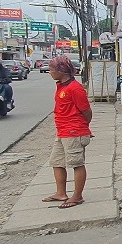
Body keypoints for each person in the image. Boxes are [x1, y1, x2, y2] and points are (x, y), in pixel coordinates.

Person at [43, 56, 92, 209]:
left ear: (61, 71)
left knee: (76, 164)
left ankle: (77, 196)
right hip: (62, 131)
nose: (50, 72)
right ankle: (61, 193)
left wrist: (82, 127)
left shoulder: (75, 88)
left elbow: (86, 111)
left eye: (52, 69)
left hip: (74, 131)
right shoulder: (62, 86)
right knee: (57, 162)